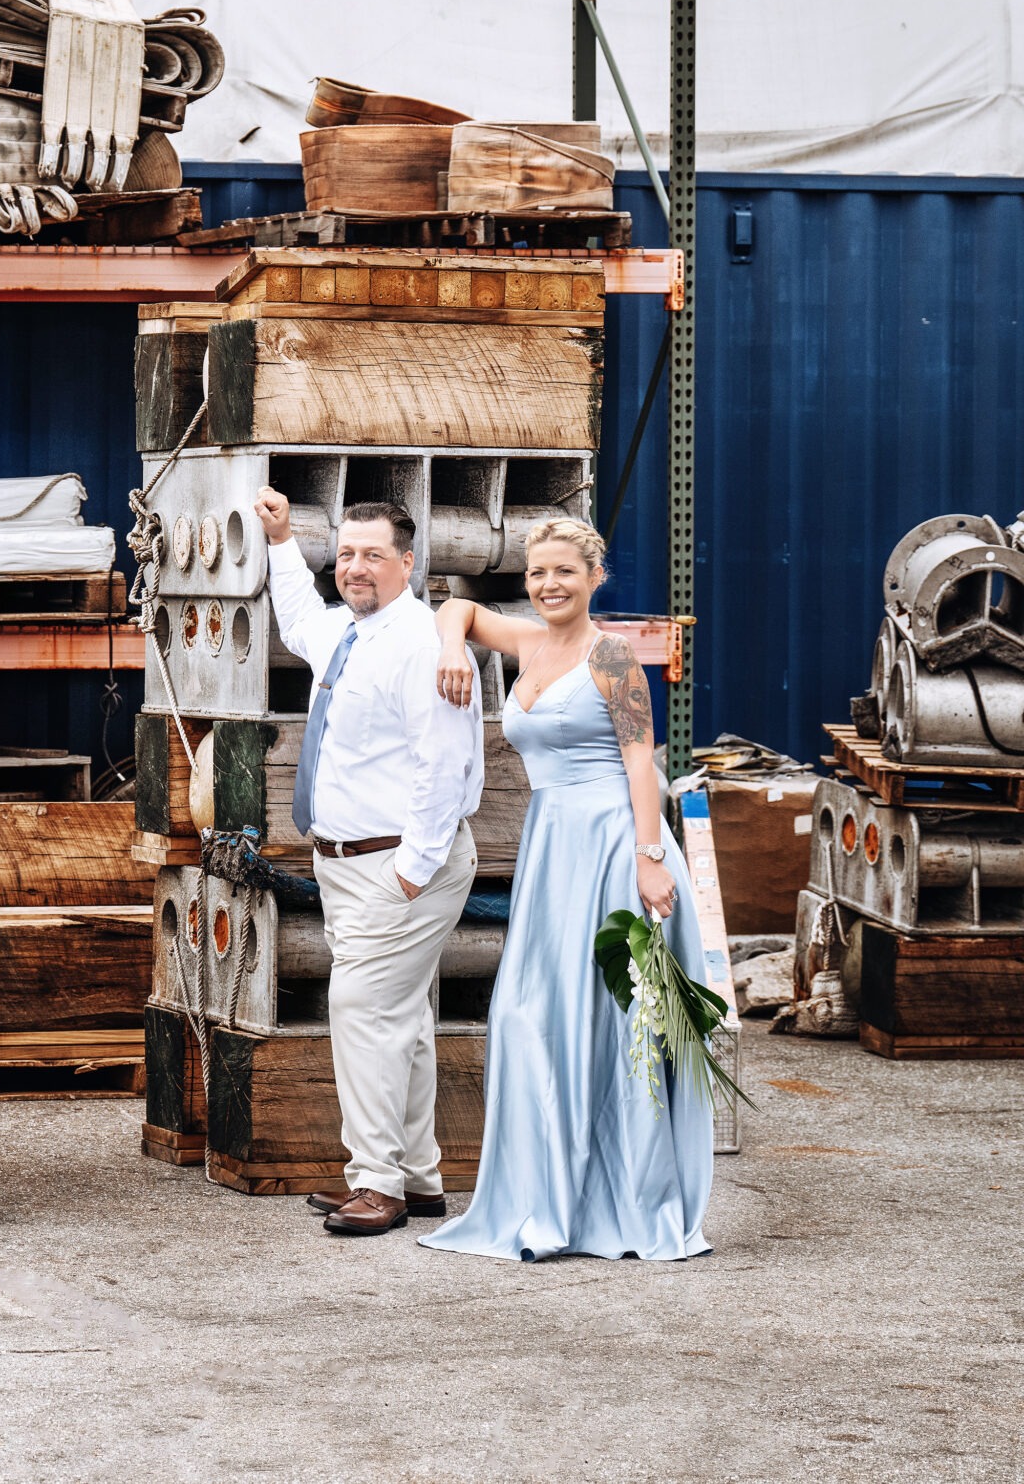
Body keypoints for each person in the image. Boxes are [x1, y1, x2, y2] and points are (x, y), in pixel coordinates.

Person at [419, 519, 713, 1261]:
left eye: (565, 573)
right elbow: (453, 609)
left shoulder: (611, 656)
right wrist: (453, 647)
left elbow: (642, 759)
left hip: (613, 843)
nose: (549, 584)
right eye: (538, 572)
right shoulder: (527, 642)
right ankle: (546, 1192)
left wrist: (650, 857)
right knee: (530, 1015)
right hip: (552, 845)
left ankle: (622, 1201)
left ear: (594, 578)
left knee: (612, 1024)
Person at [252, 489, 483, 1237]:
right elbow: (295, 621)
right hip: (347, 867)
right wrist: (284, 540)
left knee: (361, 1011)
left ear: (408, 563)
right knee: (401, 1021)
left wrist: (413, 870)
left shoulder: (418, 643)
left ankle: (376, 1184)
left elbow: (442, 764)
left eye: (373, 555)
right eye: (346, 554)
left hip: (399, 866)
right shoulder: (351, 634)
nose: (356, 567)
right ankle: (419, 1180)